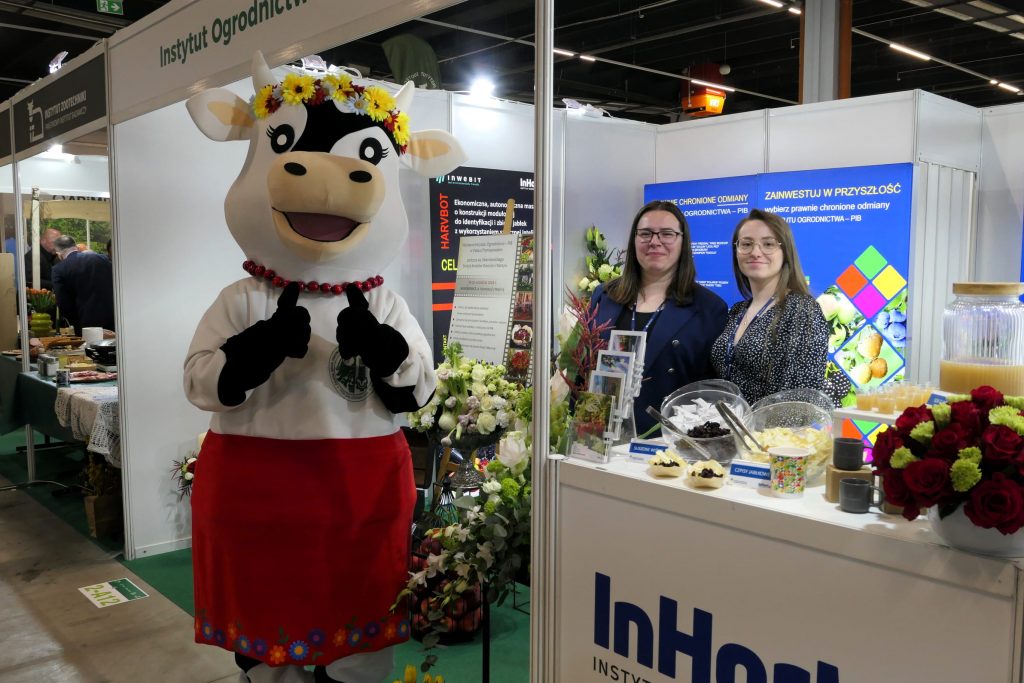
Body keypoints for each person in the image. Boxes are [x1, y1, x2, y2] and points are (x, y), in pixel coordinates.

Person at [591, 200, 728, 436]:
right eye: (646, 233)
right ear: (634, 240)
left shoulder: (709, 308)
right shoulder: (605, 296)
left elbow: (710, 390)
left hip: (667, 442)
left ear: (683, 241)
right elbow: (582, 367)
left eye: (667, 234)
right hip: (601, 435)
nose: (655, 241)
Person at [711, 209, 847, 406]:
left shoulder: (801, 310)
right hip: (727, 423)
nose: (755, 252)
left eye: (768, 244)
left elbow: (797, 402)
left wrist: (754, 426)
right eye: (746, 244)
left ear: (785, 252)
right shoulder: (737, 311)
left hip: (767, 426)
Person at [51, 235, 115, 334]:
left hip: (85, 322)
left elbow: (63, 302)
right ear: (75, 247)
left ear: (59, 254)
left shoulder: (59, 269)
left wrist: (75, 322)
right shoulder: (103, 259)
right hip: (113, 316)